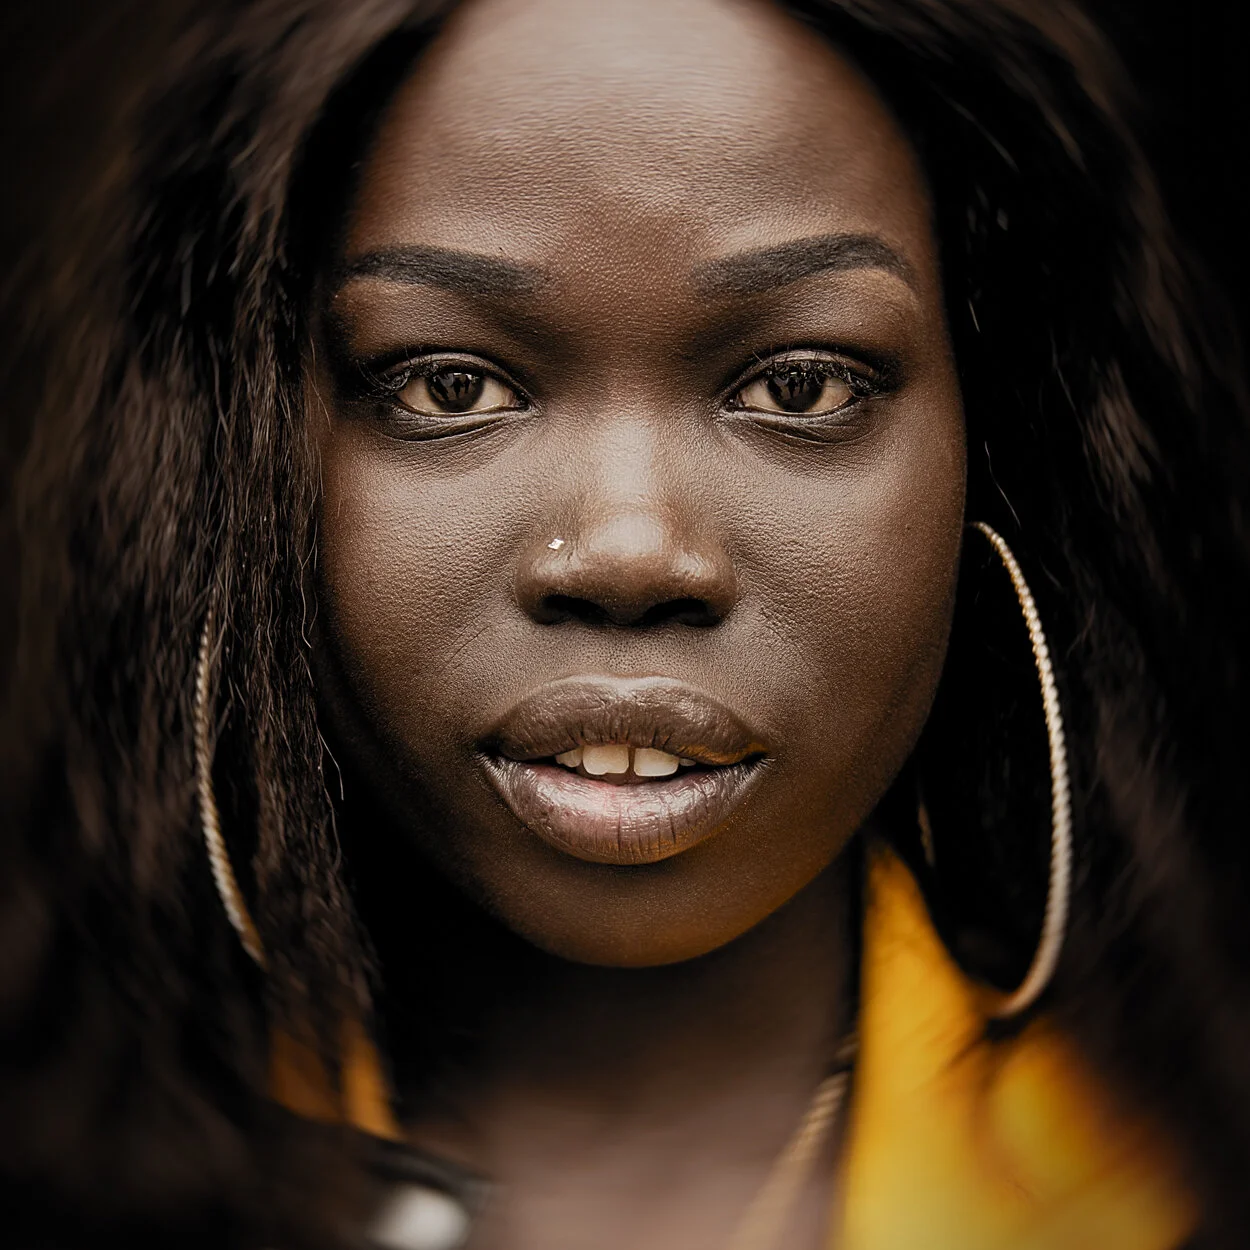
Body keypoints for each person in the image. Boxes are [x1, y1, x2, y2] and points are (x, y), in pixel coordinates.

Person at [3, 0, 1249, 1246]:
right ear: (231, 469)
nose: (628, 550)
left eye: (798, 384)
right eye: (451, 383)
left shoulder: (1169, 1179)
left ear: (996, 456)